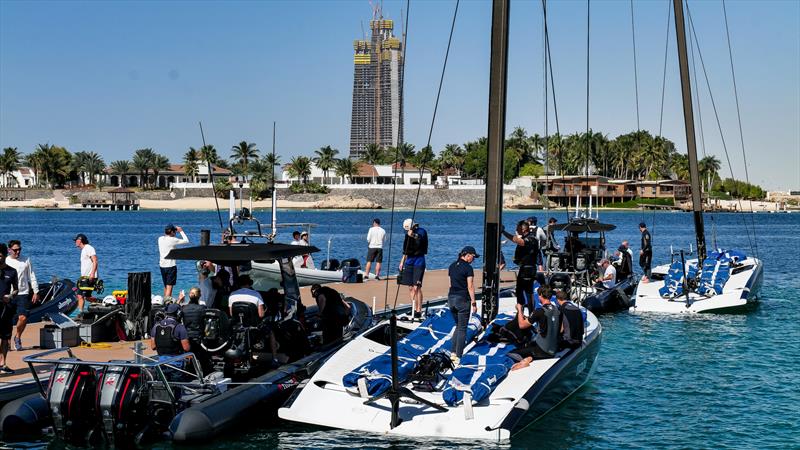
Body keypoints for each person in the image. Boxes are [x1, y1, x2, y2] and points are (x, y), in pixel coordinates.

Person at [510, 288, 561, 371]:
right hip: (554, 349)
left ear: (540, 295)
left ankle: (527, 360)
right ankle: (529, 357)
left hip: (542, 351)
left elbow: (522, 325)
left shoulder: (539, 311)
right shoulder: (557, 309)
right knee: (529, 345)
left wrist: (519, 310)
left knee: (512, 353)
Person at [6, 240, 38, 351]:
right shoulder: (5, 261)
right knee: (7, 320)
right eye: (15, 250)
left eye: (19, 249)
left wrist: (35, 291)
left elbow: (32, 276)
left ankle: (18, 337)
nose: (18, 252)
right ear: (9, 250)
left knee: (23, 317)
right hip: (8, 294)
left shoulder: (26, 260)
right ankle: (7, 341)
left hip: (23, 293)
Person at [447, 246, 478, 362]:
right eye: (473, 257)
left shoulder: (452, 266)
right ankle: (458, 356)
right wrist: (474, 302)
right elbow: (470, 286)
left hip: (451, 298)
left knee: (458, 326)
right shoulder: (468, 268)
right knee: (462, 329)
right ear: (467, 255)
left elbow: (450, 284)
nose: (473, 260)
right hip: (462, 299)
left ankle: (452, 353)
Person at [502, 220, 539, 317]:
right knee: (519, 291)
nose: (516, 230)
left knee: (528, 291)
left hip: (528, 269)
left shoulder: (531, 238)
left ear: (523, 229)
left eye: (517, 228)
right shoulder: (525, 238)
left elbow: (519, 241)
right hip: (523, 268)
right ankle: (521, 312)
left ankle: (531, 313)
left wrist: (504, 232)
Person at [398, 218, 428, 319]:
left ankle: (419, 310)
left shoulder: (421, 231)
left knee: (417, 287)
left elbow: (421, 239)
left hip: (419, 261)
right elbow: (405, 250)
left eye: (408, 229)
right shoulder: (407, 234)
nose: (407, 232)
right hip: (409, 261)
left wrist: (413, 235)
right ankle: (414, 308)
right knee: (410, 287)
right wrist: (402, 261)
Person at [181, 287, 211, 374]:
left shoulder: (184, 308)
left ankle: (190, 371)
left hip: (187, 337)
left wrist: (179, 300)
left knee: (190, 355)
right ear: (200, 296)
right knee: (203, 358)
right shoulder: (202, 308)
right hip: (199, 337)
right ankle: (206, 373)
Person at [0, 244, 18, 375]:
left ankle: (3, 364)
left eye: (0, 255)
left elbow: (16, 289)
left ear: (5, 255)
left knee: (5, 338)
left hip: (6, 309)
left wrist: (10, 296)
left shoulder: (12, 271)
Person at [158, 224, 189, 298]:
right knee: (169, 287)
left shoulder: (160, 239)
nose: (175, 233)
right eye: (175, 231)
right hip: (170, 266)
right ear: (171, 232)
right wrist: (181, 231)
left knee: (166, 286)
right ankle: (167, 304)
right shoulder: (173, 240)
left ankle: (164, 303)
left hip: (162, 265)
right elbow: (186, 241)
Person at [74, 233, 98, 314]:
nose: (75, 242)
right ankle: (80, 313)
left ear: (80, 240)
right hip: (84, 277)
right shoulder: (83, 250)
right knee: (80, 296)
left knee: (85, 296)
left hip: (89, 277)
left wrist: (92, 273)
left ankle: (100, 303)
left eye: (76, 240)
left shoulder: (89, 248)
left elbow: (95, 261)